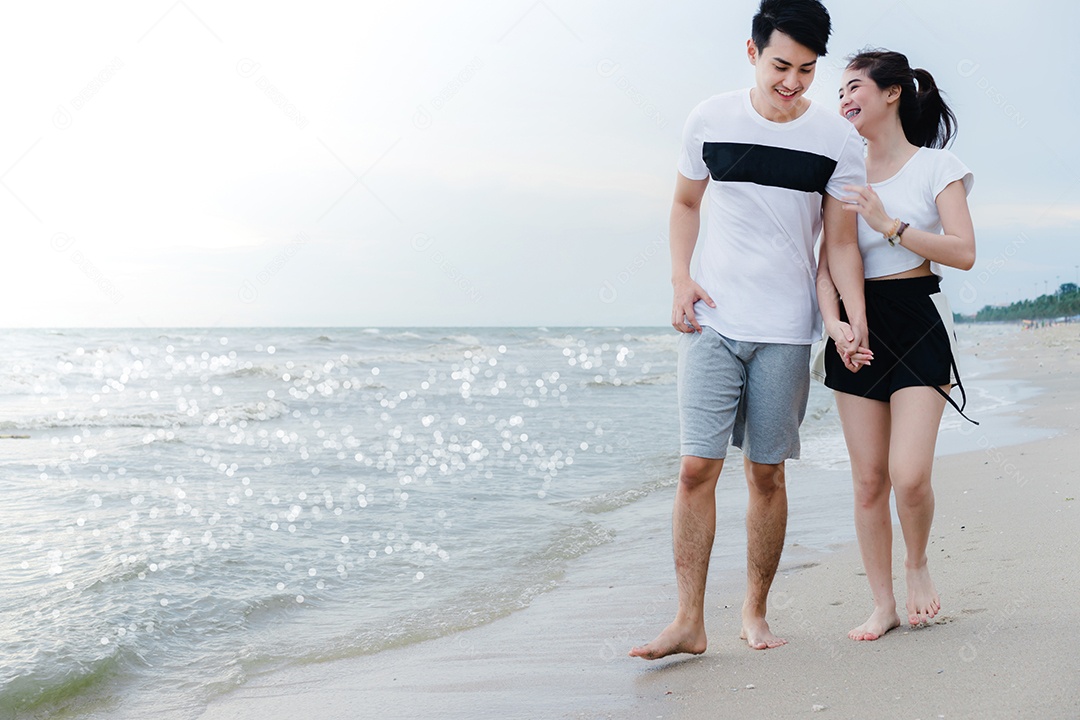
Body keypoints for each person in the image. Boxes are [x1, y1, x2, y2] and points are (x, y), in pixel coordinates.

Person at [630, 0, 866, 659]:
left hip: (787, 330)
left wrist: (846, 321)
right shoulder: (710, 118)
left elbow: (840, 245)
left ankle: (754, 613)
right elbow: (684, 202)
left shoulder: (838, 141)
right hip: (713, 323)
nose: (792, 82)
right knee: (695, 468)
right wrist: (681, 278)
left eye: (808, 70)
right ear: (752, 53)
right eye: (781, 66)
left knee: (765, 474)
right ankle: (688, 621)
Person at [814, 49, 976, 641]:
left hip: (918, 315)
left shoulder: (938, 166)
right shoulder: (839, 171)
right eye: (840, 93)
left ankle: (917, 565)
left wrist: (890, 226)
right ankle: (882, 604)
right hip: (858, 325)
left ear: (892, 94)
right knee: (867, 480)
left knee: (909, 476)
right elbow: (829, 258)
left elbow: (963, 251)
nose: (844, 100)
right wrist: (837, 324)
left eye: (854, 87)